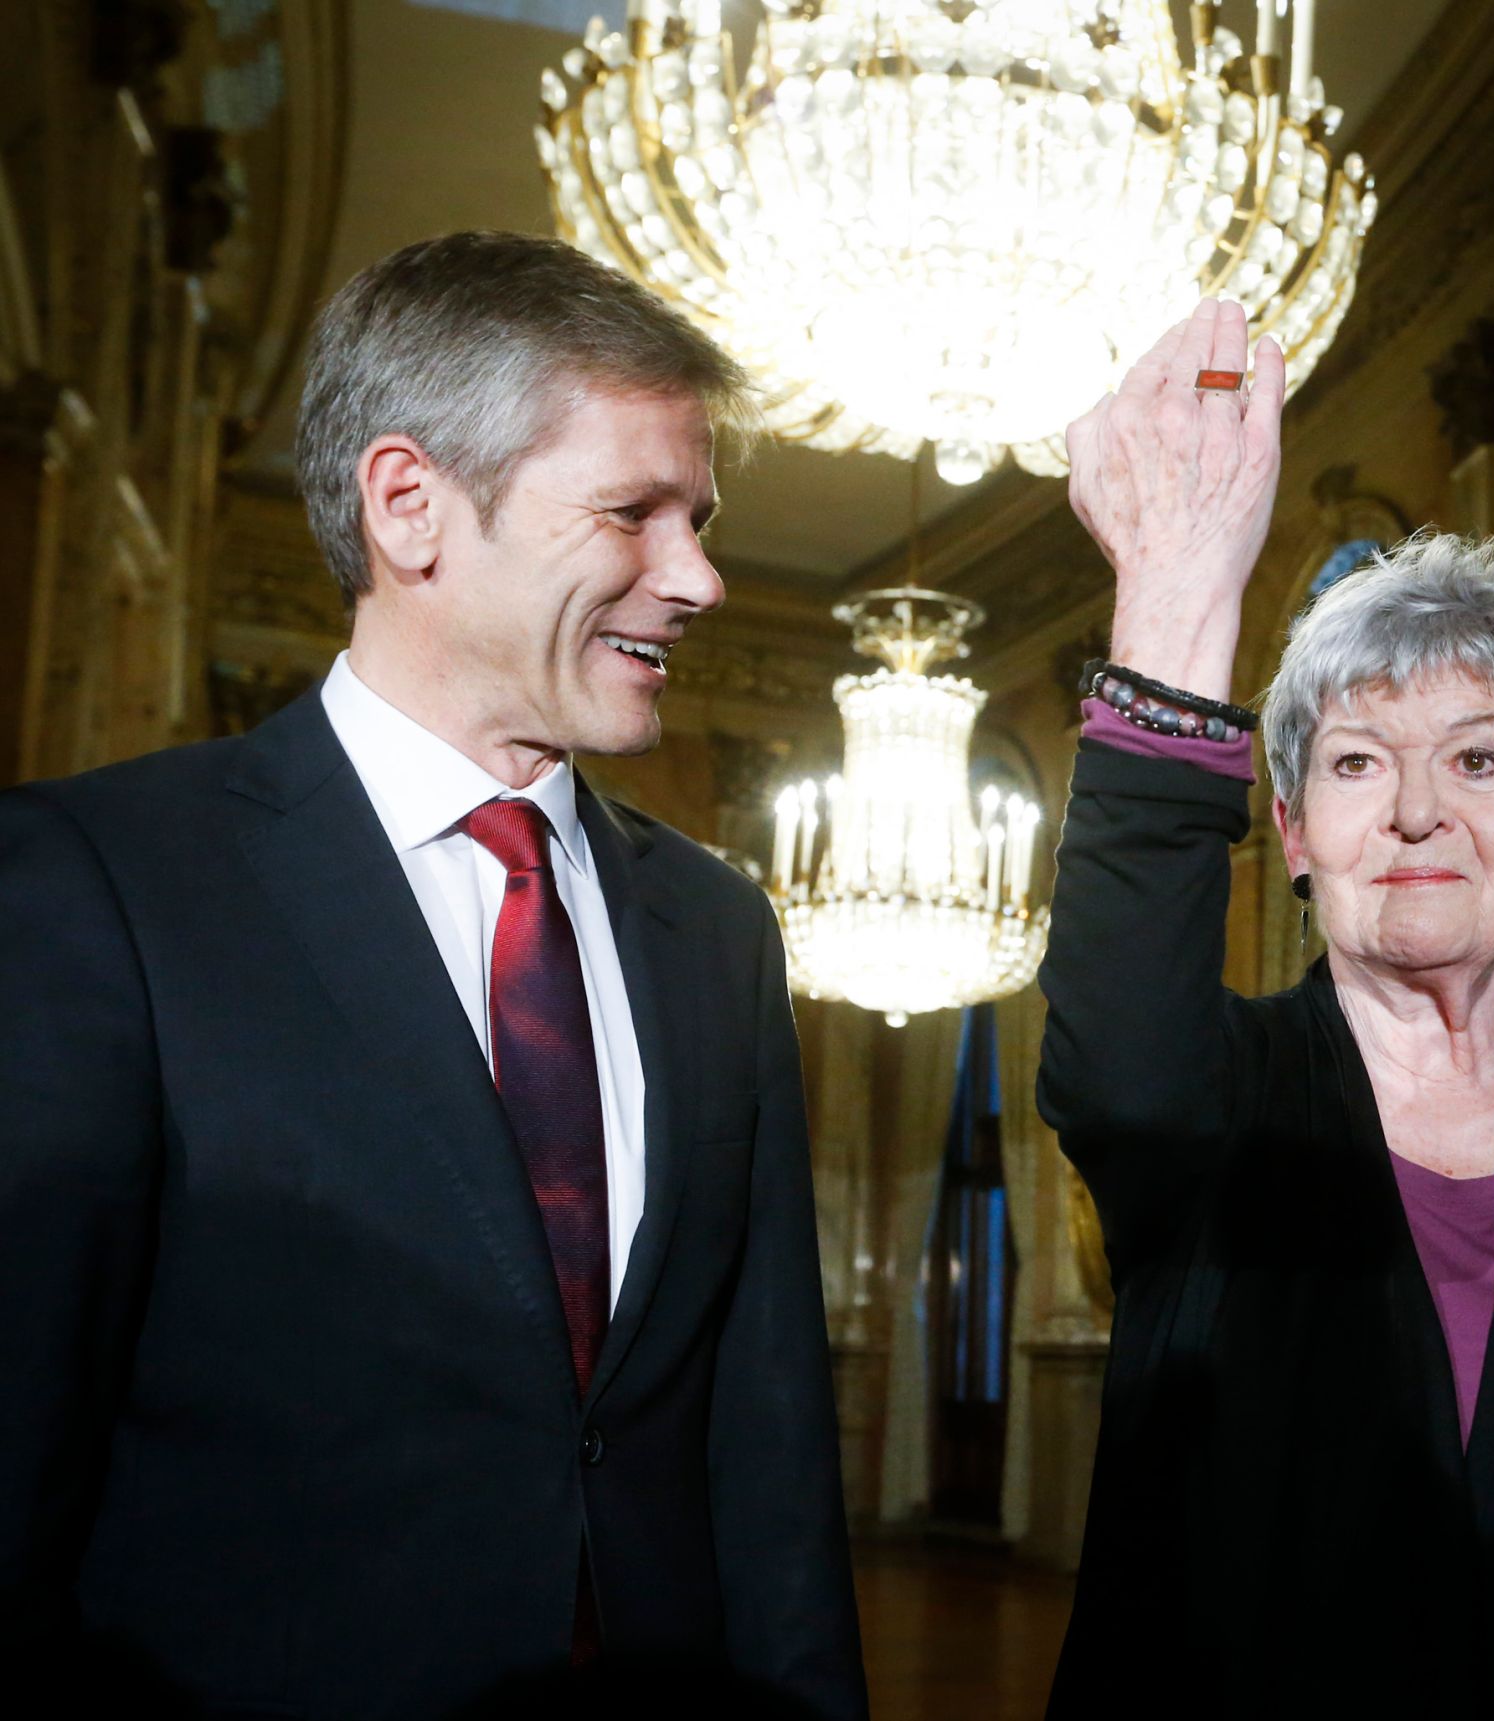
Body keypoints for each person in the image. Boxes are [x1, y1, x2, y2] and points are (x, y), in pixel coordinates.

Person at [0, 230, 866, 1719]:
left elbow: (766, 1447)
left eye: (701, 517)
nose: (702, 576)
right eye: (633, 513)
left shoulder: (719, 930)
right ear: (411, 506)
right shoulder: (102, 886)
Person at [1038, 299, 1494, 1717]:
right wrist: (1178, 592)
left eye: (1478, 759)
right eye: (1360, 765)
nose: (1420, 810)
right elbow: (1116, 1058)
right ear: (1295, 833)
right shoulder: (1213, 1104)